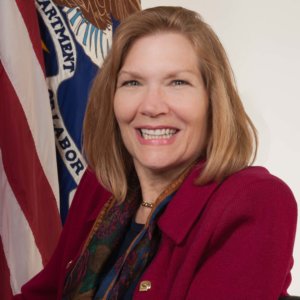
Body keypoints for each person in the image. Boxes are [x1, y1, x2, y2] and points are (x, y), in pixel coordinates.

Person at [14, 6, 297, 300]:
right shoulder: (101, 185)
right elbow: (44, 294)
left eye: (177, 82)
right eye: (132, 82)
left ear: (212, 100)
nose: (151, 106)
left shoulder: (255, 200)